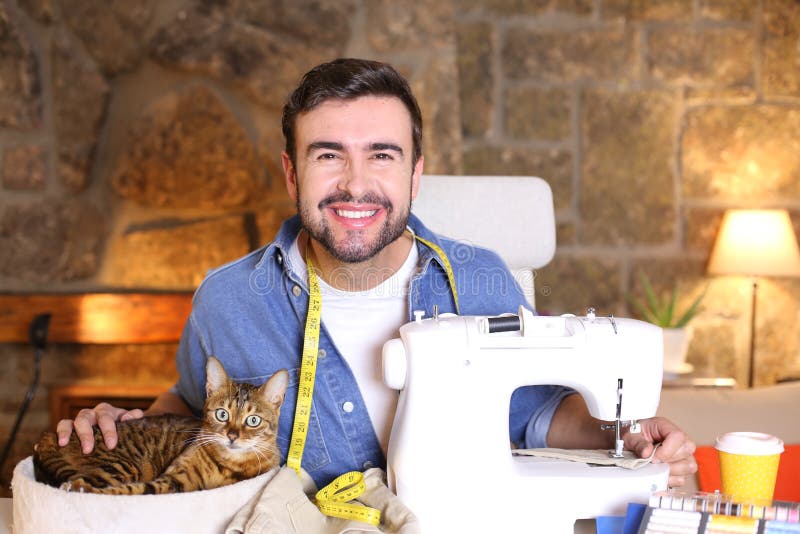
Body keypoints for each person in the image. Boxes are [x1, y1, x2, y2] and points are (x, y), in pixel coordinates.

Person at [57, 58, 697, 489]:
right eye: (328, 155)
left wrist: (626, 432)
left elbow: (533, 416)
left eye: (382, 155)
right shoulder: (228, 299)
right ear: (291, 173)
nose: (355, 185)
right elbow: (193, 410)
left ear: (415, 174)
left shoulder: (480, 281)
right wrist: (124, 426)